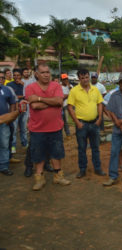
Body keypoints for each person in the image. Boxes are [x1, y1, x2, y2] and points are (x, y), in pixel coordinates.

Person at [25, 63, 71, 191]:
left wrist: (40, 98)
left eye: (48, 72)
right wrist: (53, 102)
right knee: (38, 155)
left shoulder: (56, 85)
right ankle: (39, 178)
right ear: (37, 74)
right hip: (37, 128)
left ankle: (58, 176)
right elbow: (34, 106)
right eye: (43, 72)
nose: (46, 75)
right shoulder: (30, 87)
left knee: (57, 153)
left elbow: (59, 102)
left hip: (55, 127)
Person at [67, 68, 106, 178]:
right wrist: (77, 123)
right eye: (82, 78)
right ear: (79, 79)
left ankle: (97, 168)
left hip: (94, 124)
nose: (85, 80)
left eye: (87, 77)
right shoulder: (74, 91)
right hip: (81, 124)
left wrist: (99, 119)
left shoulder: (95, 90)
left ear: (89, 77)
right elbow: (70, 108)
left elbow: (100, 104)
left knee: (95, 148)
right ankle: (82, 169)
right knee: (82, 148)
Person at [0, 70, 18, 176]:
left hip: (4, 122)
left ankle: (4, 166)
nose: (1, 79)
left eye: (2, 78)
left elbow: (12, 103)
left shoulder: (7, 89)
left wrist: (10, 117)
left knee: (4, 144)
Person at [7, 69, 28, 150]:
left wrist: (24, 85)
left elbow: (28, 95)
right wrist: (21, 96)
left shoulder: (24, 84)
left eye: (18, 75)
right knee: (14, 129)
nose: (16, 77)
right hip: (14, 109)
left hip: (24, 108)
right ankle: (13, 146)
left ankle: (25, 143)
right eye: (14, 75)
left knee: (23, 128)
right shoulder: (9, 85)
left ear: (21, 76)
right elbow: (11, 97)